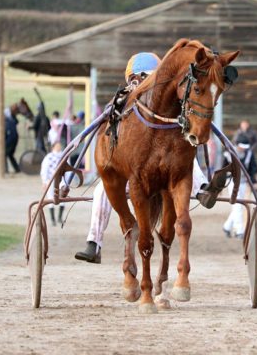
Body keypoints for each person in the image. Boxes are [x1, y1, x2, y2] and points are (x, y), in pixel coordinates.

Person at [75, 52, 221, 263]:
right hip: (133, 177)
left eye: (150, 78)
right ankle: (94, 243)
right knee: (101, 191)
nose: (143, 83)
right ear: (130, 81)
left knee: (187, 157)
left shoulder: (173, 108)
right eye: (138, 78)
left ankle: (203, 191)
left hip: (168, 173)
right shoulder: (123, 103)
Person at [221, 135, 257, 239]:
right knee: (237, 206)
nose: (243, 148)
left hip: (243, 182)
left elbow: (252, 169)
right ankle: (239, 231)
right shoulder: (228, 154)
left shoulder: (249, 154)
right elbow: (223, 170)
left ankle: (227, 226)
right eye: (242, 146)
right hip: (232, 182)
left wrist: (254, 182)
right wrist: (220, 185)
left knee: (239, 206)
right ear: (237, 144)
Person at [40, 141, 65, 226]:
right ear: (53, 147)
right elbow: (44, 170)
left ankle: (60, 217)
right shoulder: (49, 157)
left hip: (61, 180)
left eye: (60, 145)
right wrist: (44, 181)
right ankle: (53, 219)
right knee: (50, 197)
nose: (59, 147)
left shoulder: (64, 156)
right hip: (50, 180)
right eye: (57, 146)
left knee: (63, 197)